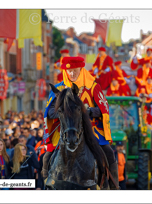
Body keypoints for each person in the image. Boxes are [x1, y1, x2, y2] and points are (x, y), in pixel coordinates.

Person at [43, 56, 119, 189]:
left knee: (108, 153)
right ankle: (45, 185)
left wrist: (87, 111)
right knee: (47, 156)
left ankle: (114, 187)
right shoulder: (58, 89)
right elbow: (49, 112)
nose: (71, 74)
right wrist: (63, 111)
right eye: (69, 71)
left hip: (91, 129)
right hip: (66, 128)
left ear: (81, 69)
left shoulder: (92, 86)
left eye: (75, 70)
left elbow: (103, 109)